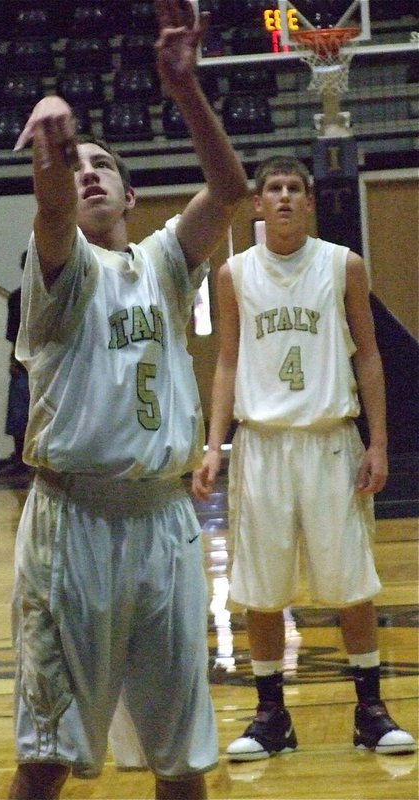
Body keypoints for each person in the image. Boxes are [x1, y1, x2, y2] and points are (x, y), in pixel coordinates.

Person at [8, 1, 248, 798]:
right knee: (47, 756)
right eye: (79, 167)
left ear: (131, 194)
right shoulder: (60, 266)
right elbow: (48, 207)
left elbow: (229, 188)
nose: (88, 175)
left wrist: (185, 89)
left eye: (103, 165)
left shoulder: (162, 263)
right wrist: (53, 143)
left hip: (164, 524)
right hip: (72, 524)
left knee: (183, 756)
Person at [192, 155, 417, 761]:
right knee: (260, 588)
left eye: (295, 188)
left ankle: (370, 711)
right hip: (262, 445)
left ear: (310, 202)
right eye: (274, 189)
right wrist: (214, 446)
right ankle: (271, 717)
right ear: (258, 204)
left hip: (329, 440)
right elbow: (228, 363)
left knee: (352, 583)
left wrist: (378, 442)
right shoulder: (234, 274)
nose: (285, 197)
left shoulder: (343, 265)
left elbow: (368, 358)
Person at [4, 251, 31, 483]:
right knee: (18, 415)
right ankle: (20, 459)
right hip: (23, 363)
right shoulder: (16, 298)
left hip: (48, 363)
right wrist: (12, 360)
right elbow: (13, 335)